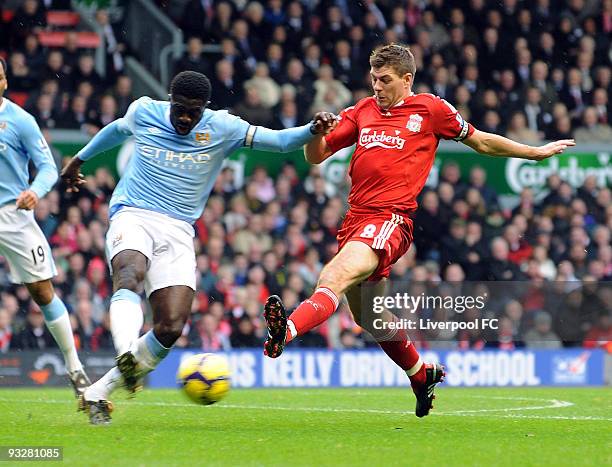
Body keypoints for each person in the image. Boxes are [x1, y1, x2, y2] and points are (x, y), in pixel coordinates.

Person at [262, 44, 575, 418]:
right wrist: (317, 132)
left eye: (385, 80)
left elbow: (481, 141)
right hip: (356, 220)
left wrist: (534, 153)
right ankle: (420, 373)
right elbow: (315, 156)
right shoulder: (361, 111)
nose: (376, 86)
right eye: (374, 78)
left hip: (390, 219)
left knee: (334, 275)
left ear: (406, 79)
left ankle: (286, 332)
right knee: (371, 319)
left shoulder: (430, 109)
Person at [61, 70, 335, 425]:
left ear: (204, 107)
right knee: (130, 273)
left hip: (178, 230)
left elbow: (281, 142)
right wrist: (78, 160)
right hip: (134, 213)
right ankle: (126, 350)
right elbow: (116, 129)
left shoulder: (223, 127)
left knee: (171, 326)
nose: (185, 117)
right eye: (180, 108)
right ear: (170, 100)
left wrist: (312, 130)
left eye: (193, 111)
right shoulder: (144, 111)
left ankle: (98, 392)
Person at [0, 57, 90, 395]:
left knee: (41, 291)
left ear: (5, 82)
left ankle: (74, 367)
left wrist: (35, 192)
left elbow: (50, 168)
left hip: (12, 214)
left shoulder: (21, 121)